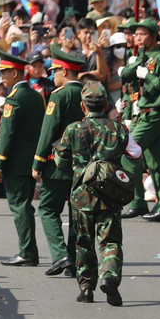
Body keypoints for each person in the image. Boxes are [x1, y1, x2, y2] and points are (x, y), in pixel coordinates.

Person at [53, 80, 131, 306]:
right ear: (106, 104)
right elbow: (133, 153)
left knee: (83, 244)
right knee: (111, 242)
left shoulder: (74, 129)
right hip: (110, 194)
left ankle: (86, 289)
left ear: (83, 106)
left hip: (82, 195)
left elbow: (60, 162)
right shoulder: (119, 129)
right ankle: (109, 276)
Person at [32, 50, 85, 275]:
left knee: (47, 208)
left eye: (55, 71)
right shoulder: (87, 93)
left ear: (64, 71)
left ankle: (60, 255)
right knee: (76, 212)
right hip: (83, 164)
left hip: (58, 164)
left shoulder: (58, 96)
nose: (52, 75)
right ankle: (73, 259)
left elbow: (48, 132)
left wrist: (38, 161)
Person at [118, 18, 160, 222]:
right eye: (136, 34)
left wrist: (148, 75)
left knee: (129, 151)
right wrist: (131, 67)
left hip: (154, 113)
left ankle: (138, 201)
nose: (137, 37)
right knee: (158, 163)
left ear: (152, 36)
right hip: (142, 112)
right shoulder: (140, 56)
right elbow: (126, 79)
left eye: (142, 34)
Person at [0, 54, 45, 267]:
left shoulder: (14, 98)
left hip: (16, 163)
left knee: (20, 206)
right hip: (31, 160)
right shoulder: (35, 96)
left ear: (14, 73)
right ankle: (28, 250)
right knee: (25, 205)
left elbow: (7, 133)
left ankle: (27, 252)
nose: (2, 77)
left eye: (4, 73)